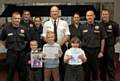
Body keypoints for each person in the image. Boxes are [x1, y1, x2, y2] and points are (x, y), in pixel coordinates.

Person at [42, 5, 70, 81]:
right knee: (50, 67)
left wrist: (58, 45)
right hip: (50, 48)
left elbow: (67, 35)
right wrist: (52, 45)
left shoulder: (64, 23)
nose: (54, 12)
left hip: (62, 46)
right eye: (52, 11)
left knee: (62, 66)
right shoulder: (46, 24)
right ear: (50, 13)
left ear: (58, 12)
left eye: (56, 11)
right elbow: (44, 36)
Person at [0, 11, 30, 81]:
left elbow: (26, 40)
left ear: (20, 19)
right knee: (10, 72)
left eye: (18, 18)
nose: (17, 20)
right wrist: (7, 46)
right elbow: (2, 39)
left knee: (23, 72)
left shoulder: (24, 28)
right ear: (12, 19)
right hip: (11, 54)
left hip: (22, 54)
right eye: (15, 18)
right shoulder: (6, 28)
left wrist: (21, 46)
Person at [80, 10, 107, 81]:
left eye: (91, 15)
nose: (89, 17)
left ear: (94, 16)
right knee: (86, 71)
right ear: (86, 17)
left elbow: (103, 39)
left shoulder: (99, 26)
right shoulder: (82, 27)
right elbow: (79, 40)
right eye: (88, 15)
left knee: (95, 71)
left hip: (96, 52)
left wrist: (101, 51)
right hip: (85, 51)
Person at [99, 9, 120, 81]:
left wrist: (112, 43)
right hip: (101, 49)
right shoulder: (98, 25)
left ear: (109, 15)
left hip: (110, 48)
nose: (104, 15)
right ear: (101, 15)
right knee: (102, 67)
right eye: (103, 14)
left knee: (110, 66)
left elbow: (117, 37)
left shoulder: (114, 24)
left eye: (106, 14)